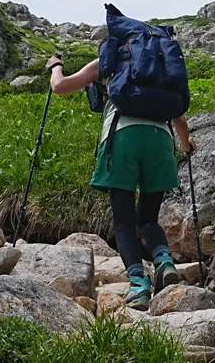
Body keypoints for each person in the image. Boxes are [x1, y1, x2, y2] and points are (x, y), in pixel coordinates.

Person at [47, 51, 195, 311]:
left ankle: (139, 286)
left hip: (122, 137)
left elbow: (60, 87)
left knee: (124, 221)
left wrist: (55, 66)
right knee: (148, 219)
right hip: (159, 140)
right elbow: (178, 117)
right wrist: (186, 144)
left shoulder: (109, 62)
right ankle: (164, 262)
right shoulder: (158, 69)